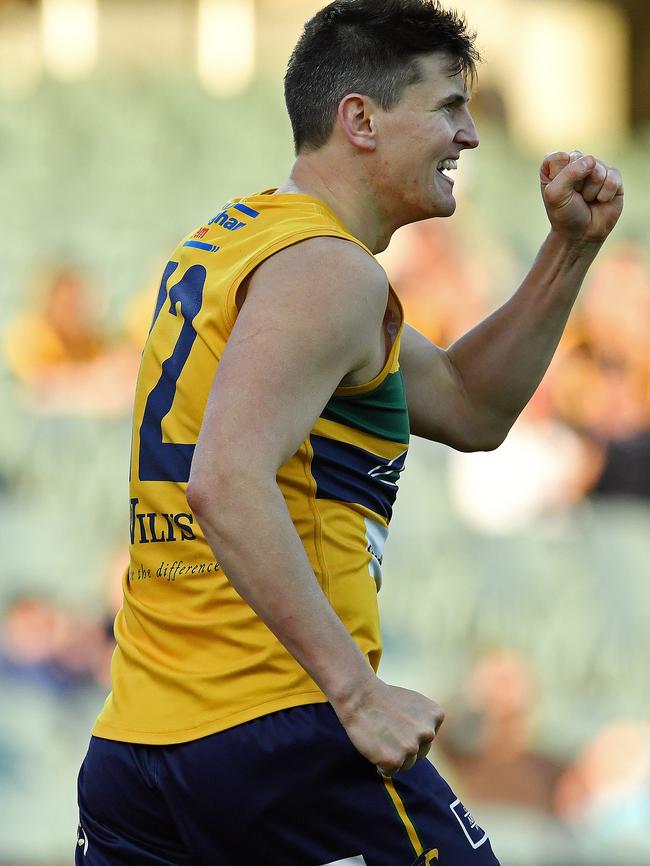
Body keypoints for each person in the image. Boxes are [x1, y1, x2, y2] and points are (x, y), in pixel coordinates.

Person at [75, 1, 624, 864]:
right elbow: (224, 481)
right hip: (278, 729)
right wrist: (357, 692)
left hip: (140, 750)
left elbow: (471, 407)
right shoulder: (329, 273)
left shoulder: (244, 246)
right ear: (360, 120)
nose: (470, 137)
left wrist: (569, 251)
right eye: (448, 106)